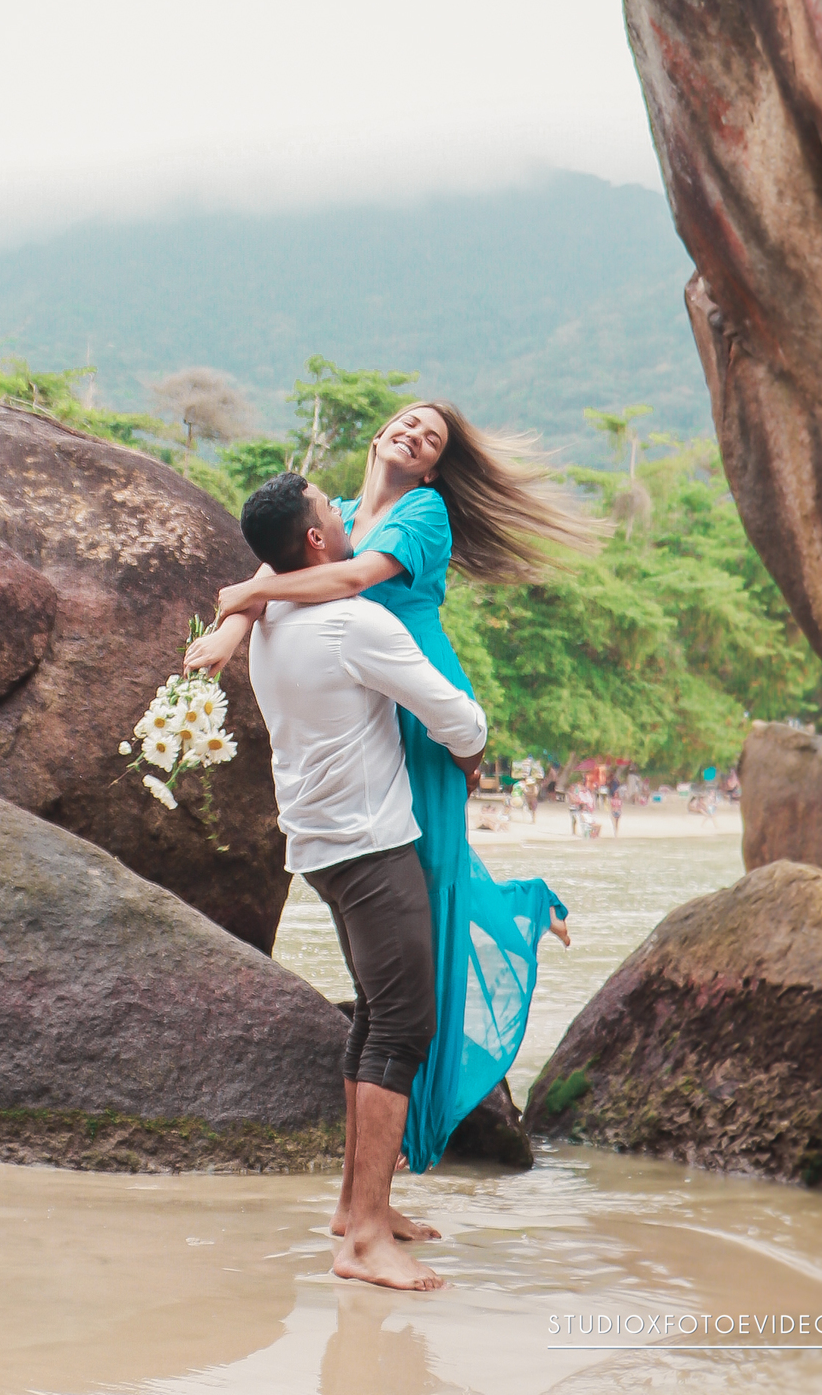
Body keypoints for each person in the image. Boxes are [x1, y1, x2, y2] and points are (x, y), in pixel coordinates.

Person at [188, 401, 601, 1172]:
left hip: (417, 694)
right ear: (380, 435)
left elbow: (348, 578)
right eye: (407, 423)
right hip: (364, 691)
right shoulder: (335, 513)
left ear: (434, 468)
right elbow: (273, 576)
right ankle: (389, 1155)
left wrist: (240, 600)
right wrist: (229, 630)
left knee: (431, 875)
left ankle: (414, 1137)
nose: (415, 435)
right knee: (404, 892)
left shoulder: (424, 513)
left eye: (432, 439)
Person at [239, 473, 488, 1290]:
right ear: (317, 541)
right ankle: (366, 1240)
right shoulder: (353, 622)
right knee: (404, 1028)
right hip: (372, 847)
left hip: (317, 845)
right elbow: (455, 714)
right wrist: (473, 750)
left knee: (375, 1015)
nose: (346, 515)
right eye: (330, 510)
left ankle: (356, 1208)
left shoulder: (271, 619)